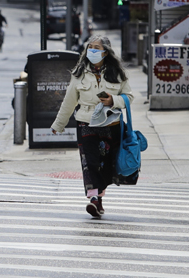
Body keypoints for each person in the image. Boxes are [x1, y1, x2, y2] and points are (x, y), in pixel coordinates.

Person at [51, 35, 133, 218]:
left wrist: (114, 100)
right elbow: (69, 101)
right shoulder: (79, 73)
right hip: (85, 122)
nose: (92, 51)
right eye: (90, 47)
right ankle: (94, 199)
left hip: (111, 123)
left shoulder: (117, 74)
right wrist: (59, 124)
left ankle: (99, 197)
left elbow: (129, 97)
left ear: (106, 52)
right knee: (90, 161)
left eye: (97, 47)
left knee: (106, 165)